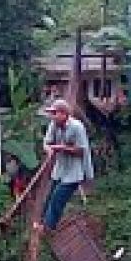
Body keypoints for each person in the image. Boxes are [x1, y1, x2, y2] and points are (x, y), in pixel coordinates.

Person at [35, 98, 93, 231]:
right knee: (49, 196)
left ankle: (48, 228)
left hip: (74, 172)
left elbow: (80, 151)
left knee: (57, 198)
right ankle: (41, 224)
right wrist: (49, 149)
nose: (52, 116)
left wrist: (61, 148)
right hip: (60, 169)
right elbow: (47, 143)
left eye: (55, 113)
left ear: (64, 114)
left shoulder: (77, 127)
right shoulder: (53, 125)